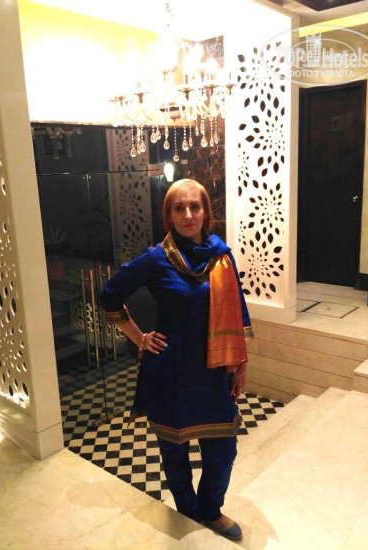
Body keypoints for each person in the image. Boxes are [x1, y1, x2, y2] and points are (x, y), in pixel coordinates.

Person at [100, 178, 253, 542]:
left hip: (214, 372)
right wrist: (141, 338)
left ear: (206, 213)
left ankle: (211, 510)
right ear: (168, 215)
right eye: (178, 208)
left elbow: (238, 311)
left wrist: (242, 364)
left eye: (194, 207)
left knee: (223, 448)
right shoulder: (157, 258)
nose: (188, 215)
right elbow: (110, 295)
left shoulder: (221, 257)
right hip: (170, 371)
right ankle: (187, 509)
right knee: (175, 448)